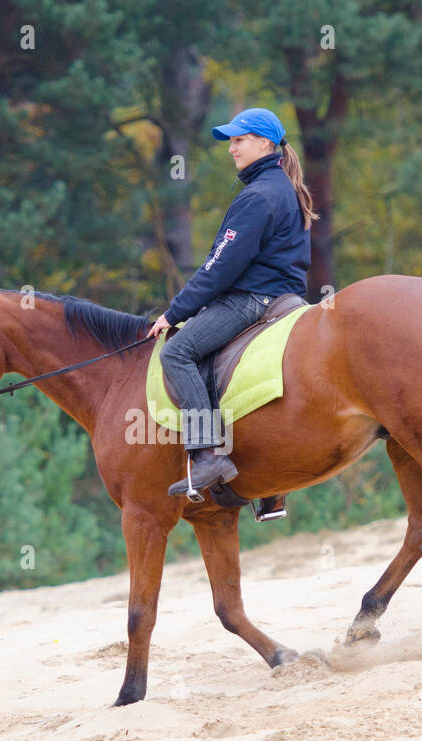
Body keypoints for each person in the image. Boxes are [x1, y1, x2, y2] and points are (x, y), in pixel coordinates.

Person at [148, 107, 317, 499]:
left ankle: (207, 454)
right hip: (286, 300)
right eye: (231, 141)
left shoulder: (257, 196)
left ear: (264, 143)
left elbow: (218, 268)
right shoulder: (285, 187)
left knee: (177, 353)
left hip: (252, 300)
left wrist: (173, 314)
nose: (231, 149)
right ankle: (266, 487)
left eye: (239, 141)